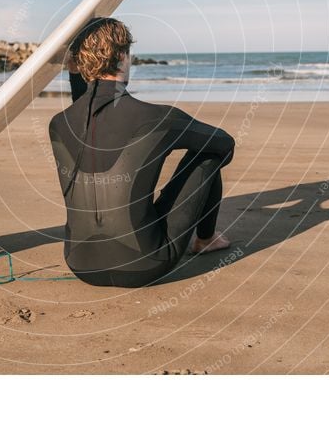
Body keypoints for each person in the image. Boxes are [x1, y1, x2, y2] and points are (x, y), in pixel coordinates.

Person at [48, 17, 234, 287]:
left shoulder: (58, 124)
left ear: (80, 64)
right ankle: (206, 240)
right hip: (146, 264)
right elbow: (224, 144)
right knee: (206, 152)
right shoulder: (158, 118)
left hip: (80, 264)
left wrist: (75, 72)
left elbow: (89, 113)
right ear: (123, 56)